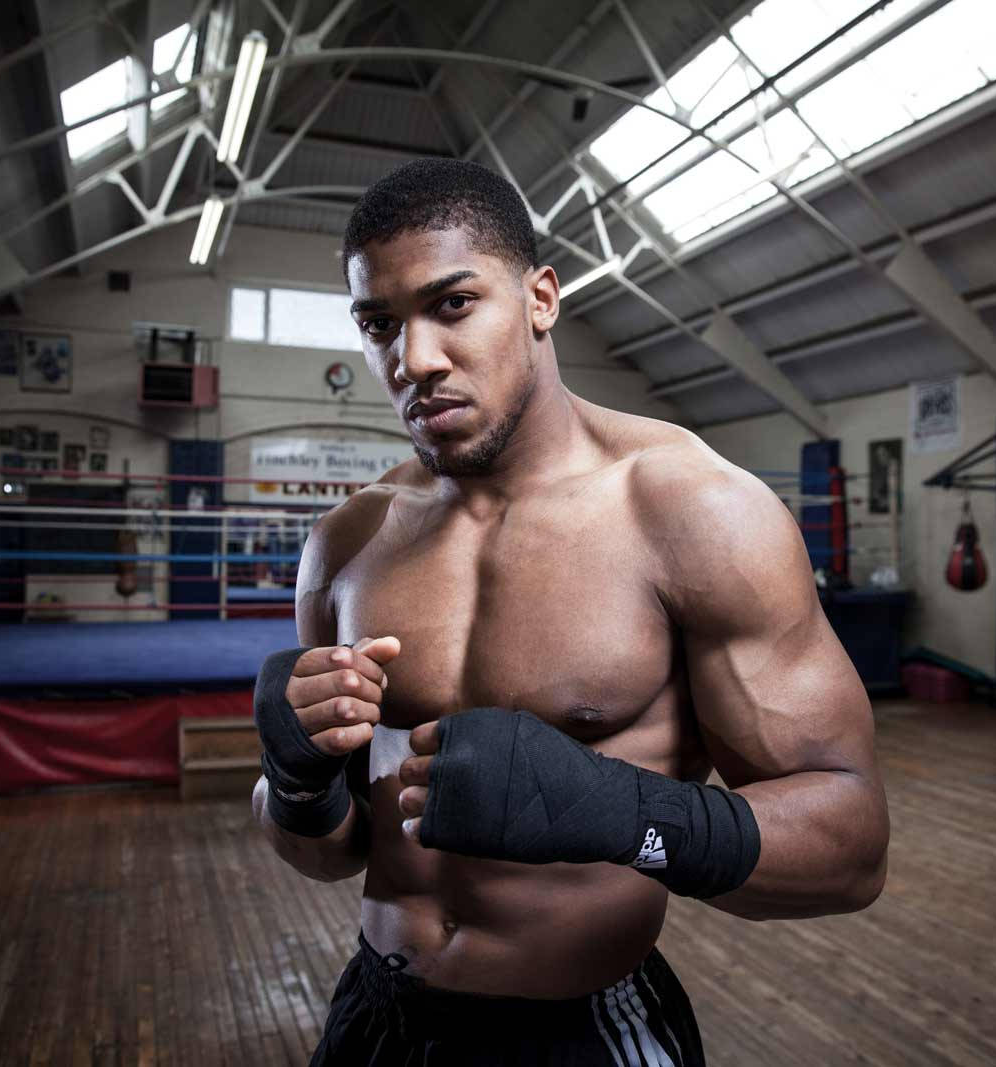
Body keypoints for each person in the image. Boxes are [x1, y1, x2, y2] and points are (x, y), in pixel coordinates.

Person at [251, 157, 889, 1065]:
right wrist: (296, 783)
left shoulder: (691, 513)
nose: (414, 359)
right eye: (379, 323)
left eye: (454, 304)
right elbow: (331, 854)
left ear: (541, 298)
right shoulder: (350, 541)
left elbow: (854, 847)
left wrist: (622, 812)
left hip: (582, 1030)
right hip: (378, 1015)